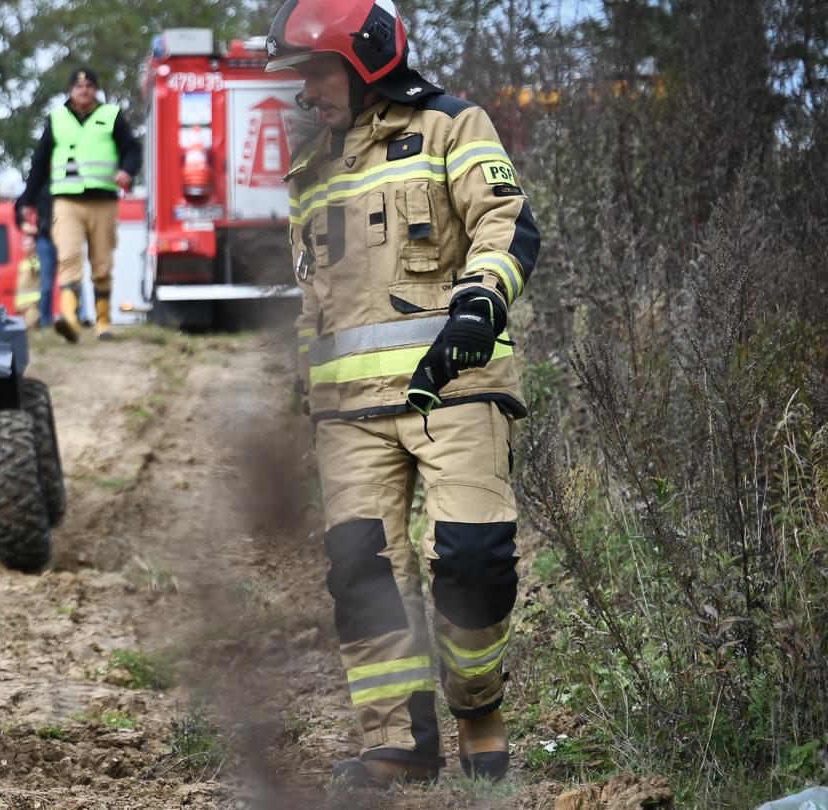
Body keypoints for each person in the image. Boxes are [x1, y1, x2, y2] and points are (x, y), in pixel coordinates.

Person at [266, 0, 540, 790]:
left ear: (365, 61)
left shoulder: (455, 127)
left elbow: (507, 222)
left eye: (315, 73)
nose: (304, 93)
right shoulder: (308, 172)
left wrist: (484, 297)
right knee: (362, 577)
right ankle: (399, 743)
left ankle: (478, 711)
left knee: (474, 562)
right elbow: (314, 296)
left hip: (454, 387)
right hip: (346, 418)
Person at [18, 66, 140, 342]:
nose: (83, 90)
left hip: (103, 200)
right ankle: (70, 321)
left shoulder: (112, 116)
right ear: (70, 90)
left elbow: (132, 148)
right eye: (78, 86)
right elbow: (39, 162)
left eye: (89, 86)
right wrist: (27, 199)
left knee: (101, 262)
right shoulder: (57, 118)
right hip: (67, 200)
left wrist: (127, 171)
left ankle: (104, 322)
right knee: (69, 259)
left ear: (96, 90)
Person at [13, 185, 59, 327]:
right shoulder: (34, 193)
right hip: (24, 305)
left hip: (56, 236)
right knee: (47, 285)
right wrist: (22, 223)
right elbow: (19, 207)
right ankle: (46, 320)